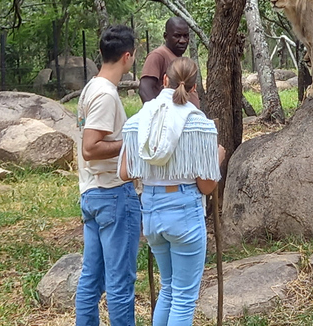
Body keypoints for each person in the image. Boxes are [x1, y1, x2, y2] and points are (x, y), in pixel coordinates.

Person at [120, 57, 224, 326]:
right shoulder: (198, 124)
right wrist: (218, 159)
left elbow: (124, 173)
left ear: (164, 81)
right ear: (193, 87)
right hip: (184, 210)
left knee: (168, 288)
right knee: (185, 297)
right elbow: (206, 185)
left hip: (152, 210)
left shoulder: (139, 120)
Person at [75, 25, 140, 326]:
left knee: (92, 276)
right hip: (112, 193)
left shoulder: (91, 88)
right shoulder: (105, 94)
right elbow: (91, 147)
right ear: (128, 57)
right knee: (119, 282)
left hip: (92, 194)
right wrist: (131, 143)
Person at [140, 17, 200, 107]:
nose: (183, 41)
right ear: (166, 36)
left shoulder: (179, 59)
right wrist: (156, 113)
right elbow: (144, 88)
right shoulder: (158, 55)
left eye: (186, 36)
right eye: (177, 36)